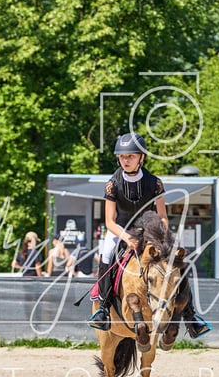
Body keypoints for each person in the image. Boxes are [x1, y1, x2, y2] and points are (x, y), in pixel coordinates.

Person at [86, 132, 211, 338]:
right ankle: (104, 309)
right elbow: (109, 221)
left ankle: (190, 315)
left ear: (141, 158)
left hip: (150, 230)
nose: (126, 160)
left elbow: (162, 216)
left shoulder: (155, 183)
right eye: (123, 157)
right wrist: (127, 238)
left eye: (131, 156)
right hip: (122, 230)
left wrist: (162, 236)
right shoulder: (112, 184)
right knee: (107, 254)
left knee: (178, 260)